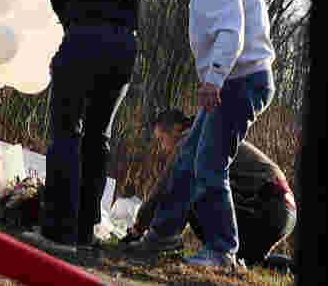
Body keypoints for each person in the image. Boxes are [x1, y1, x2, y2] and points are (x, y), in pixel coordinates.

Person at [126, 0, 277, 271]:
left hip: (238, 82)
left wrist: (213, 78)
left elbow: (230, 31)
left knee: (209, 163)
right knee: (188, 158)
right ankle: (163, 233)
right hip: (240, 79)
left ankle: (223, 250)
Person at [27, 0, 144, 252]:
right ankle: (83, 230)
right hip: (124, 48)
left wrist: (72, 24)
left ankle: (57, 230)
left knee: (66, 131)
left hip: (84, 38)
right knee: (98, 137)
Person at [123, 109, 296, 273]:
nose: (162, 148)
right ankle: (292, 267)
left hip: (265, 204)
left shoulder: (190, 139)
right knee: (243, 259)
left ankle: (167, 241)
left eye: (161, 139)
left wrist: (138, 228)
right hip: (283, 211)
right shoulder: (208, 133)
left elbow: (164, 189)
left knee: (187, 190)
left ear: (176, 129)